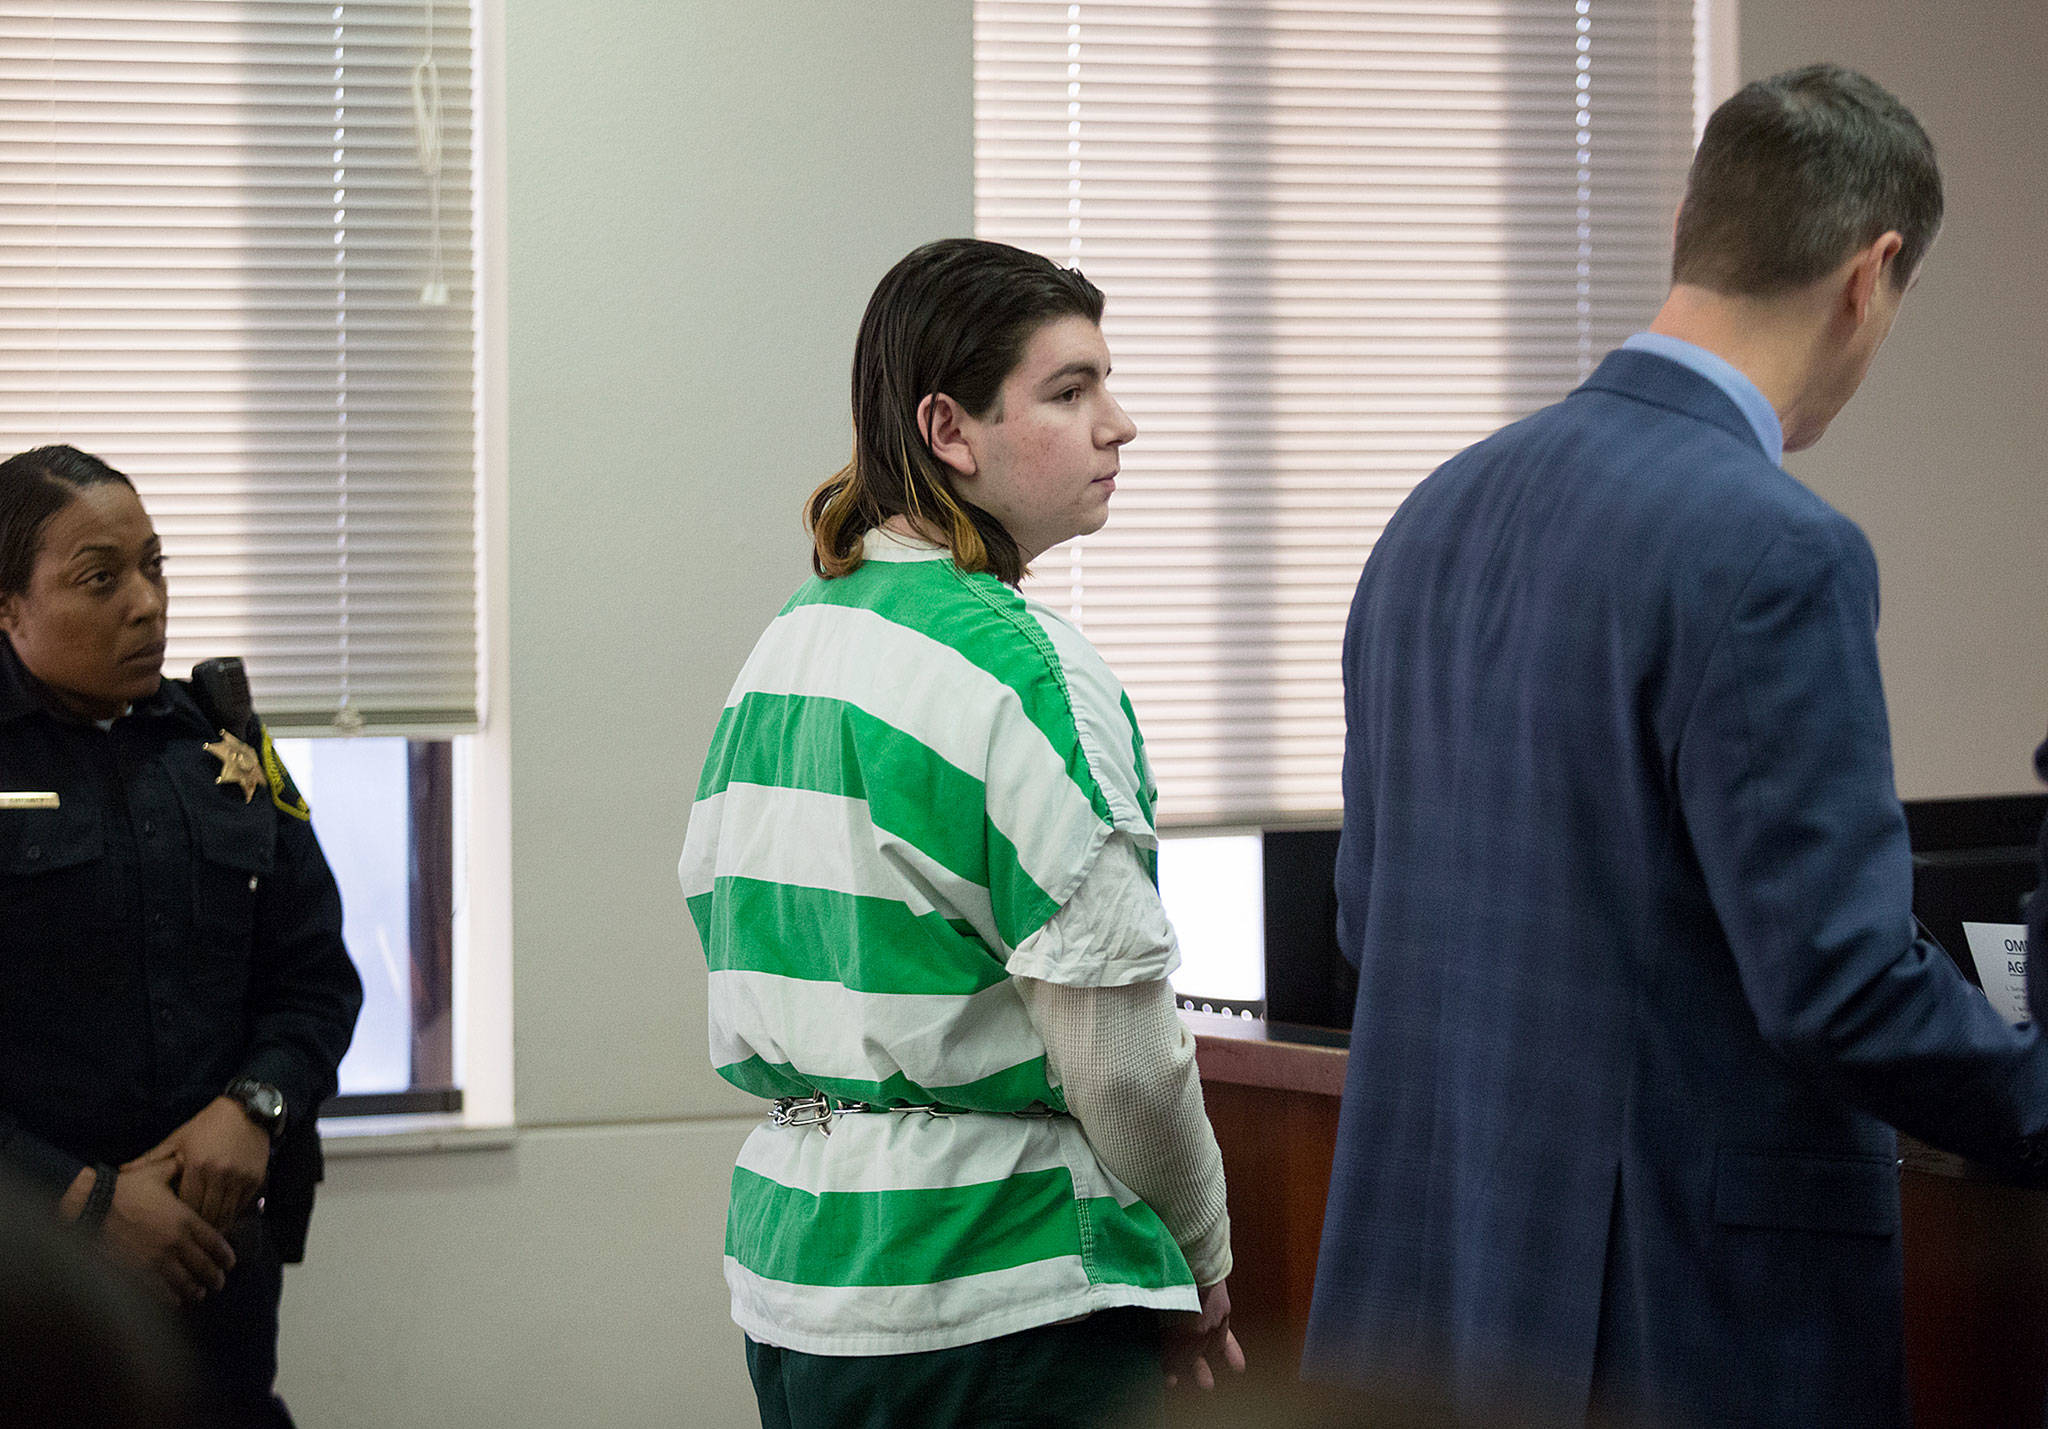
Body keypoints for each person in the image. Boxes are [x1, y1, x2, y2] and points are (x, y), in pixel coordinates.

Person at [1304, 64, 2048, 1428]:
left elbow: (1369, 914)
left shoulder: (1433, 517)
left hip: (1432, 1299)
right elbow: (1839, 985)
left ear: (1687, 236)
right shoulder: (1777, 548)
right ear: (1871, 276)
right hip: (1665, 1323)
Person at [680, 237, 1242, 1428]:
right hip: (998, 1304)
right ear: (950, 430)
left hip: (797, 1287)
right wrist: (1201, 1253)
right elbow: (1119, 1056)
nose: (1118, 424)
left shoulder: (789, 645)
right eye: (1068, 390)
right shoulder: (1025, 669)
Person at [0, 445, 362, 1428]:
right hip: (29, 1292)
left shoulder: (228, 746)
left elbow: (318, 982)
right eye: (101, 576)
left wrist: (253, 1108)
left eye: (155, 566)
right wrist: (82, 1203)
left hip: (214, 1285)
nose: (147, 602)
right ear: (8, 606)